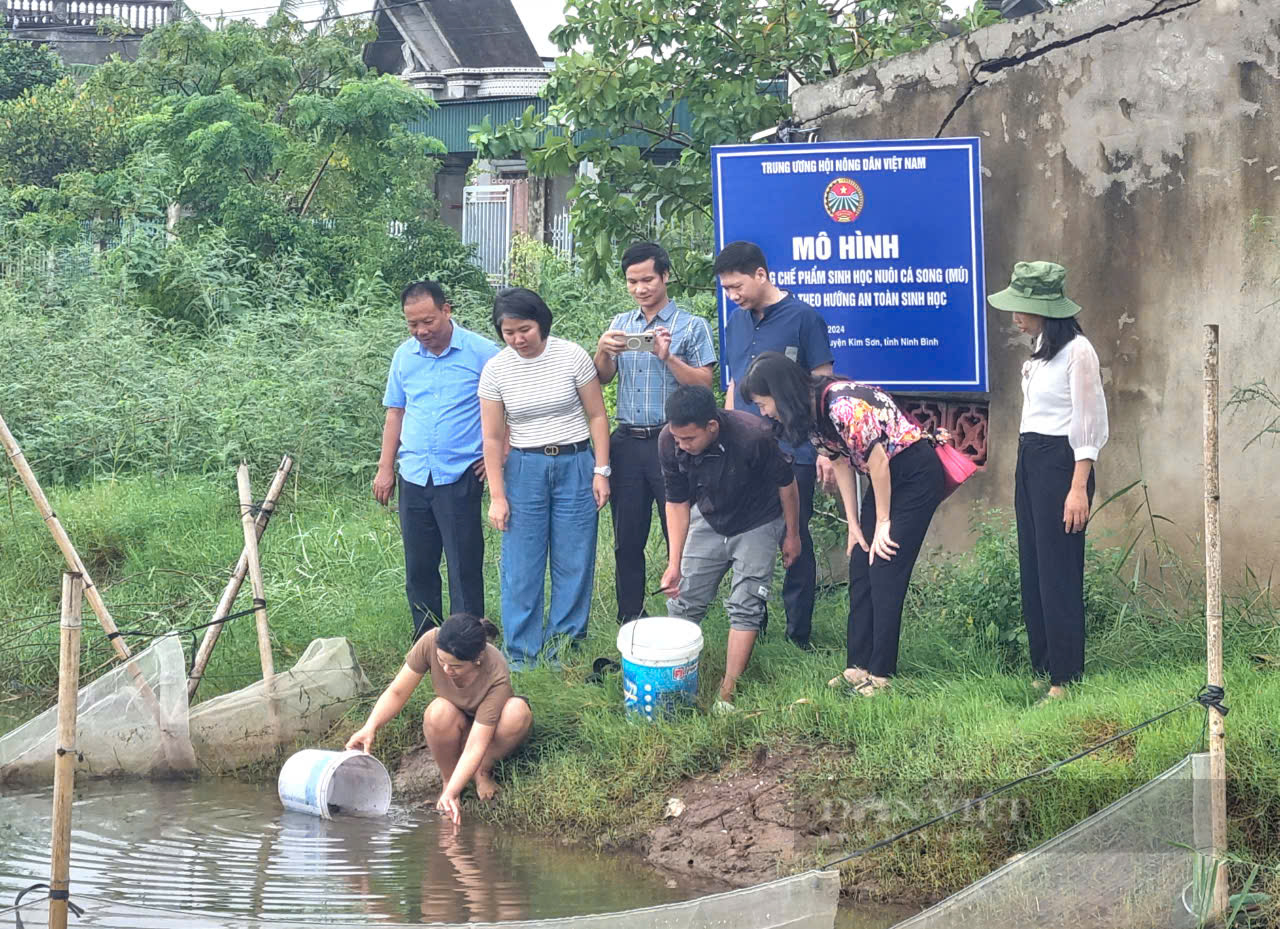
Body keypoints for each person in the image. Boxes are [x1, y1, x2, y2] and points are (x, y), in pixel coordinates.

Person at [739, 352, 945, 696]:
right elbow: (841, 462)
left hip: (913, 475)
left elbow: (878, 463)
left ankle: (881, 674)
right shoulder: (811, 414)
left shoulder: (841, 406)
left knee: (885, 565)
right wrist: (853, 524)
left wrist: (883, 523)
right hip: (881, 482)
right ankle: (857, 666)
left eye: (763, 403)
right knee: (861, 565)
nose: (764, 412)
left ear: (780, 392)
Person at [989, 261, 1108, 699]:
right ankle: (1043, 666)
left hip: (1062, 464)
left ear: (1046, 309)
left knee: (1058, 570)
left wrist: (1079, 486)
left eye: (1023, 306)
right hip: (1031, 460)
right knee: (1034, 567)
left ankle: (1065, 676)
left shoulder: (1079, 351)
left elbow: (1089, 422)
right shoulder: (1041, 351)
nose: (1015, 315)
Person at [478, 287, 612, 669]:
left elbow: (597, 416)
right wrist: (498, 495)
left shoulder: (571, 356)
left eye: (525, 329)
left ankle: (564, 650)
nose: (518, 339)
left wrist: (601, 470)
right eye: (509, 332)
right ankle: (521, 654)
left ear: (542, 323)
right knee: (521, 564)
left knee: (574, 559)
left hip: (575, 464)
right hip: (524, 468)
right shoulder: (496, 370)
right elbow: (492, 436)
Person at [715, 241, 834, 650]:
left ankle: (798, 634)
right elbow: (733, 385)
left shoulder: (804, 318)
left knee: (795, 535)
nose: (734, 296)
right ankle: (753, 626)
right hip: (747, 450)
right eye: (727, 289)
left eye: (737, 286)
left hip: (795, 448)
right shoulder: (736, 322)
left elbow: (822, 384)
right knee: (750, 535)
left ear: (761, 274)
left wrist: (824, 450)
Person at [594, 242, 717, 624]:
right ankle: (630, 618)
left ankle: (685, 615)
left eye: (647, 279)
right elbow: (602, 378)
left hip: (674, 443)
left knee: (680, 533)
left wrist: (668, 357)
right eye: (632, 281)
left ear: (665, 276)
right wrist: (603, 351)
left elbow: (704, 385)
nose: (640, 288)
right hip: (628, 440)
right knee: (627, 536)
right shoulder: (620, 322)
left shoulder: (692, 326)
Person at [657, 385, 801, 713]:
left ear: (712, 426)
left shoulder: (754, 436)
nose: (682, 445)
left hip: (757, 520)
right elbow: (677, 502)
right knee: (683, 600)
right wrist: (673, 562)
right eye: (677, 438)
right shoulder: (669, 439)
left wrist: (791, 535)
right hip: (709, 515)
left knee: (746, 603)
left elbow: (786, 484)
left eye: (689, 439)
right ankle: (676, 682)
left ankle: (727, 693)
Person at [376, 280, 499, 640]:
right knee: (419, 564)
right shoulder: (404, 356)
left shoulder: (482, 353)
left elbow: (507, 406)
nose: (421, 331)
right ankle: (427, 640)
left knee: (463, 564)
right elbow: (395, 413)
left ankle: (468, 639)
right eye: (412, 324)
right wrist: (386, 468)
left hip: (460, 475)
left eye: (428, 321)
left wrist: (499, 456)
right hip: (414, 475)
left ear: (447, 310)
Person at [347, 613, 533, 825]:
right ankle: (448, 780)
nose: (446, 670)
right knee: (437, 711)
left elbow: (475, 744)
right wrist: (371, 726)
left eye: (455, 666)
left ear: (477, 659)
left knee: (518, 712)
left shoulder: (496, 672)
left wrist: (459, 785)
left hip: (489, 728)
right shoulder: (431, 641)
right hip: (453, 719)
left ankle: (482, 772)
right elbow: (397, 692)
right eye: (441, 661)